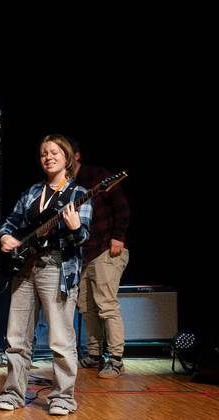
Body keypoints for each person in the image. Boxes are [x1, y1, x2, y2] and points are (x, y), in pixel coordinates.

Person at [0, 134, 91, 415]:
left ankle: (63, 397)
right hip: (25, 268)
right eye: (43, 154)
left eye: (54, 152)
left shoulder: (78, 194)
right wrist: (4, 238)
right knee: (17, 337)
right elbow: (10, 223)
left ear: (67, 157)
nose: (48, 157)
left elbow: (82, 238)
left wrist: (74, 228)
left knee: (60, 339)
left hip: (56, 268)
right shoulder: (33, 192)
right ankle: (13, 393)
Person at [70, 138, 131, 378]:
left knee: (106, 305)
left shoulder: (97, 175)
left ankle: (116, 359)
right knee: (87, 308)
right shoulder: (67, 185)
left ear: (75, 156)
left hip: (107, 248)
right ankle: (94, 355)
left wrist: (118, 236)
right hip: (84, 254)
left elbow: (122, 207)